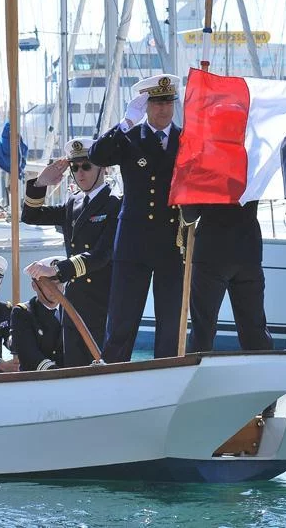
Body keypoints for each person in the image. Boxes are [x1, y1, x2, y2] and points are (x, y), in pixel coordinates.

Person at [88, 74, 183, 362]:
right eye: (156, 103)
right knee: (122, 322)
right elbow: (98, 155)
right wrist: (127, 121)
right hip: (134, 243)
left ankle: (166, 377)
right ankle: (114, 377)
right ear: (145, 105)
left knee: (171, 325)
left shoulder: (186, 139)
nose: (163, 109)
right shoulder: (130, 138)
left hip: (172, 244)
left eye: (168, 102)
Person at [22, 137, 120, 366]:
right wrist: (40, 184)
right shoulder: (73, 203)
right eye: (75, 167)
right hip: (74, 301)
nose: (80, 172)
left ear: (102, 168)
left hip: (103, 301)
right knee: (74, 365)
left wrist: (56, 269)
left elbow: (101, 255)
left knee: (101, 368)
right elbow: (31, 216)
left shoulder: (115, 204)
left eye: (86, 166)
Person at [184, 202, 272, 353]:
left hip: (211, 251)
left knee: (203, 328)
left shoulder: (206, 178)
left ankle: (197, 371)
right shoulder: (251, 177)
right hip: (248, 250)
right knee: (254, 327)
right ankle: (262, 370)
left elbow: (190, 214)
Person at [11, 257, 67, 371]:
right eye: (49, 284)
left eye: (59, 283)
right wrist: (55, 372)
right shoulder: (23, 313)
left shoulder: (72, 312)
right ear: (34, 286)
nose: (55, 288)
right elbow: (29, 354)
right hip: (38, 380)